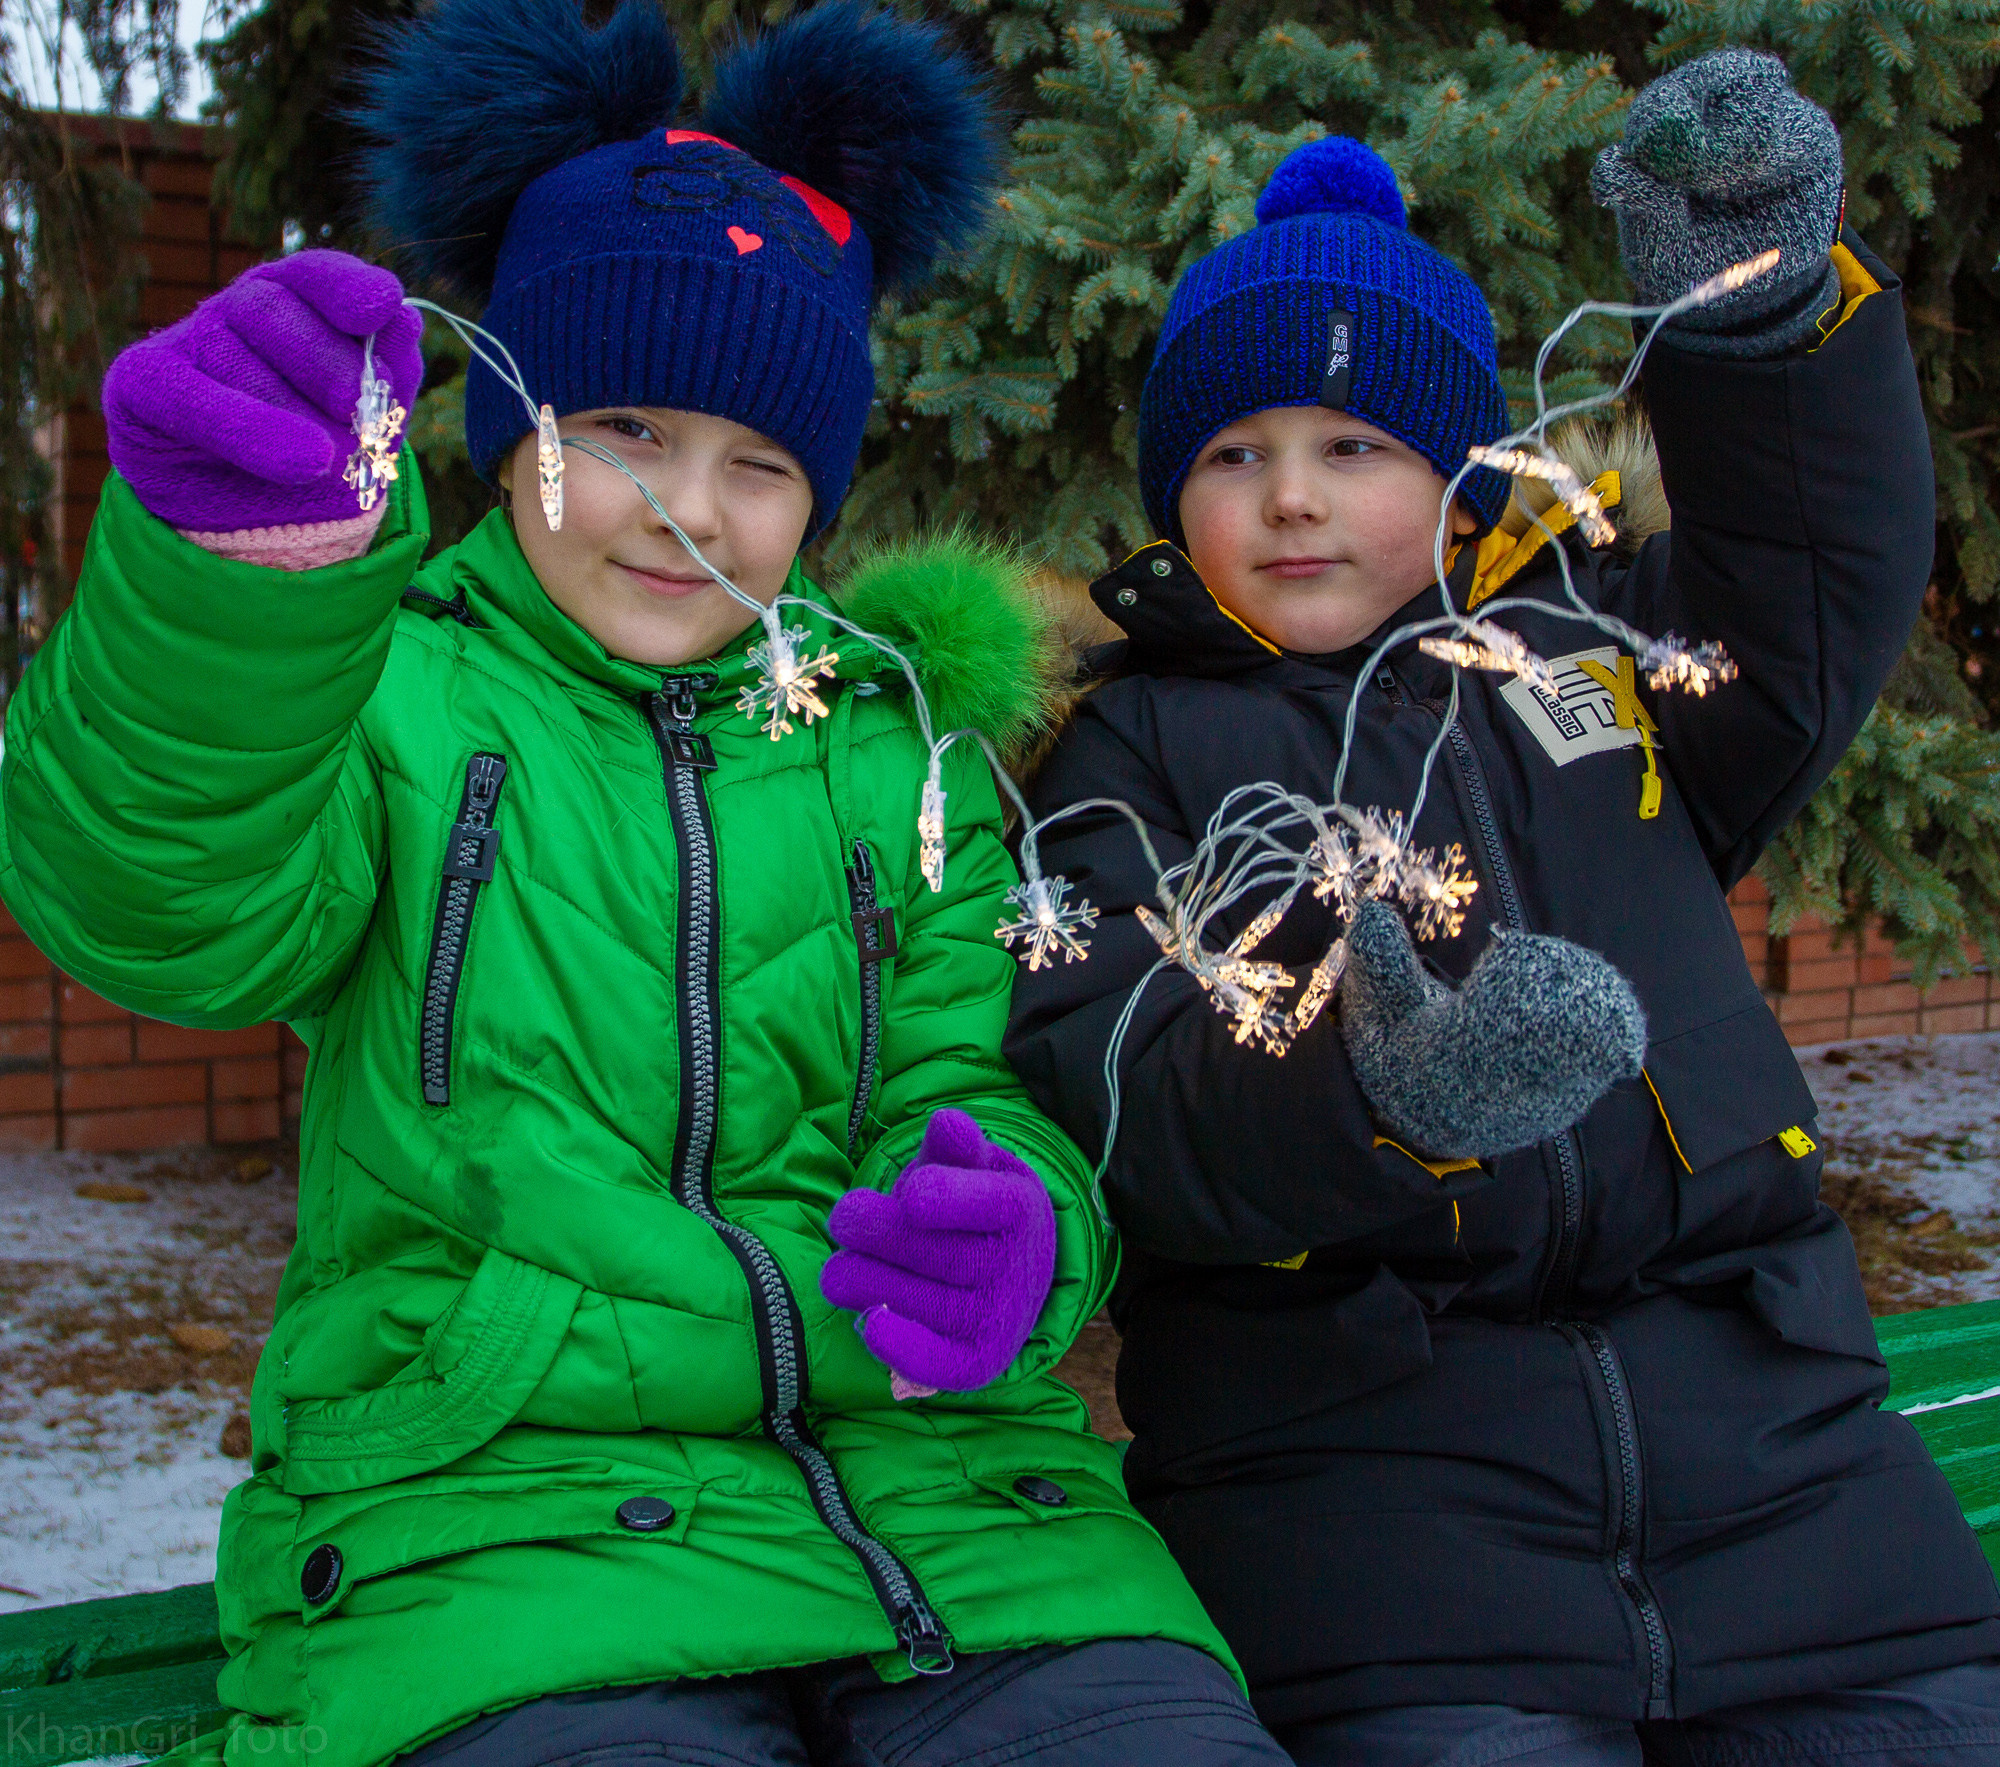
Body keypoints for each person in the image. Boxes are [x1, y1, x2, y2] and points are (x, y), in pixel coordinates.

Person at [0, 2, 1289, 1763]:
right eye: (624, 430)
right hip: (503, 1518)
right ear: (512, 422)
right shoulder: (388, 688)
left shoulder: (890, 748)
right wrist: (239, 595)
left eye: (762, 464)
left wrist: (1018, 1236)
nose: (693, 511)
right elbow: (159, 907)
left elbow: (976, 1075)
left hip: (956, 1509)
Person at [1004, 51, 2000, 1767]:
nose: (1294, 496)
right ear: (1176, 492)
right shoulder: (1125, 753)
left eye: (1355, 444)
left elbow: (1817, 576)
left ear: (1460, 476)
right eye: (1235, 452)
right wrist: (1375, 1090)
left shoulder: (1602, 661)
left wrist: (1756, 320)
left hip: (1782, 1462)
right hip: (1369, 1493)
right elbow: (1128, 1095)